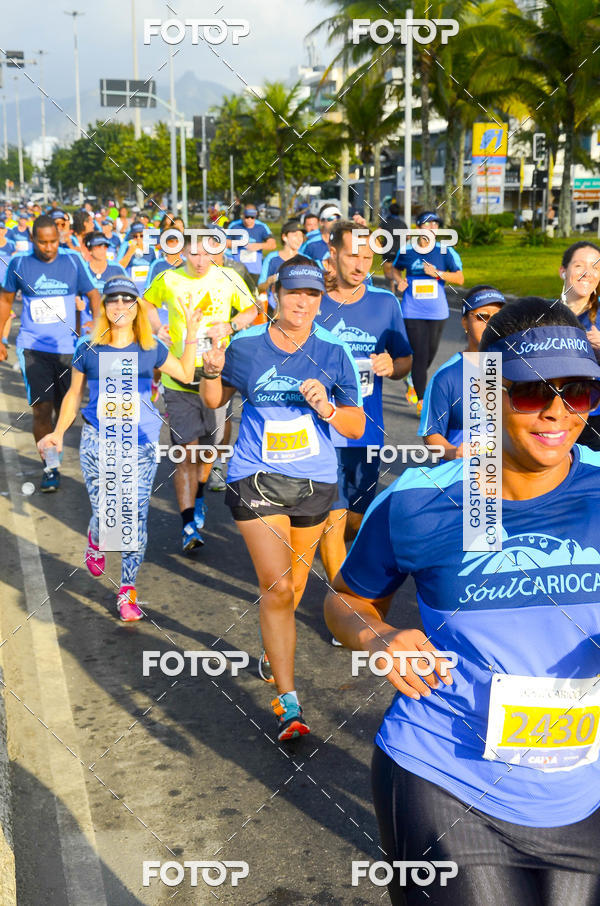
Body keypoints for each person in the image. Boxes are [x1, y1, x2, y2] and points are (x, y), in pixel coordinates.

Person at [325, 297, 600, 906]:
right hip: (445, 776)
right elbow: (346, 600)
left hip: (581, 794)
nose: (558, 412)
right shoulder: (421, 499)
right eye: (532, 392)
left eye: (578, 392)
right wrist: (378, 636)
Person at [200, 256, 365, 740]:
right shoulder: (247, 345)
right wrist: (210, 372)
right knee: (275, 587)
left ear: (321, 300)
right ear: (276, 295)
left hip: (314, 482)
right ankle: (289, 703)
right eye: (294, 292)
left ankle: (273, 648)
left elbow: (356, 425)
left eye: (312, 294)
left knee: (293, 589)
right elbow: (214, 400)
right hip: (255, 476)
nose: (302, 302)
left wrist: (328, 408)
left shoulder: (334, 350)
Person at [37, 276, 202, 621]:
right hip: (98, 440)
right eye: (113, 299)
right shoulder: (88, 347)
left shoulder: (150, 348)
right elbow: (73, 394)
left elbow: (187, 374)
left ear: (137, 307)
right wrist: (58, 432)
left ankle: (127, 589)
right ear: (105, 306)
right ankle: (96, 537)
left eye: (128, 299)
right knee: (106, 513)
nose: (121, 306)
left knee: (133, 516)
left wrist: (190, 332)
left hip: (140, 443)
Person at [315, 220, 412, 598]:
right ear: (333, 253)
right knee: (332, 519)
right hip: (321, 432)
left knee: (356, 519)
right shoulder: (313, 301)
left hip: (367, 431)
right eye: (353, 255)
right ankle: (344, 604)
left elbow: (404, 360)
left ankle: (343, 566)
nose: (360, 265)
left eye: (368, 258)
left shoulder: (385, 304)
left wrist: (392, 365)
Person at [143, 232, 257, 551]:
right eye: (194, 254)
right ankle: (188, 525)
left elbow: (252, 310)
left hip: (215, 378)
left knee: (209, 449)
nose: (200, 260)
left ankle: (200, 493)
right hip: (179, 379)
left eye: (207, 253)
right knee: (185, 452)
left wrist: (231, 326)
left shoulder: (228, 277)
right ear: (182, 253)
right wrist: (157, 327)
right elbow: (146, 303)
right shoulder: (168, 279)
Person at [0, 214, 101, 491]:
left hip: (68, 348)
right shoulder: (19, 263)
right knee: (42, 409)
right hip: (33, 348)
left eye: (53, 241)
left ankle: (56, 444)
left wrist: (97, 326)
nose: (49, 247)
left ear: (59, 238)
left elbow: (93, 294)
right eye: (42, 243)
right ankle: (50, 466)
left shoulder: (72, 260)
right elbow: (5, 301)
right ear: (33, 239)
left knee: (65, 409)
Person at [419, 285, 506, 460]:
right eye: (482, 316)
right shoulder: (446, 376)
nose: (491, 324)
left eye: (498, 317)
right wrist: (453, 452)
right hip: (463, 473)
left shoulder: (518, 369)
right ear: (465, 322)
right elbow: (431, 433)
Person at [391, 211, 464, 414]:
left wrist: (437, 273)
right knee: (420, 354)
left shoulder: (445, 251)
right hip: (412, 310)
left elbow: (460, 278)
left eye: (436, 224)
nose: (432, 227)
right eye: (428, 223)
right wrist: (399, 280)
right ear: (418, 228)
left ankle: (412, 378)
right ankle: (422, 401)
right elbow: (394, 269)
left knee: (429, 354)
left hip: (437, 312)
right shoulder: (407, 250)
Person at [557, 241, 600, 451]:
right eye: (579, 265)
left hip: (595, 418)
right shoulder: (544, 313)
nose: (587, 273)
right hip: (553, 413)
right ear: (563, 271)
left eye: (595, 267)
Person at [258, 219, 306, 313]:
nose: (299, 239)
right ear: (284, 237)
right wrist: (268, 282)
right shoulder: (272, 258)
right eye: (295, 235)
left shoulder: (306, 260)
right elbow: (260, 287)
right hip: (274, 311)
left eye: (301, 235)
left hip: (298, 309)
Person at [226, 204, 276, 290]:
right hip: (237, 268)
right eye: (247, 217)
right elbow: (225, 243)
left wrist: (258, 245)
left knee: (253, 292)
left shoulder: (261, 227)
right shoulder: (234, 226)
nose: (249, 220)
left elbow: (272, 244)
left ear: (255, 216)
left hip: (255, 270)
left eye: (252, 217)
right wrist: (240, 243)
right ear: (243, 215)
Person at [117, 221, 156, 295]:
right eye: (135, 236)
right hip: (131, 289)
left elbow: (155, 269)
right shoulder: (126, 246)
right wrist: (130, 252)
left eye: (141, 235)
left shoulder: (150, 248)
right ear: (131, 236)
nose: (138, 238)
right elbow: (119, 268)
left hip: (147, 289)